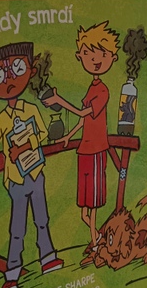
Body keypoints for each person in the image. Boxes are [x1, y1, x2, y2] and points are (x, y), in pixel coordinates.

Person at [0, 42, 63, 288]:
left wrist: (26, 145)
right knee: (17, 228)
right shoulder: (2, 120)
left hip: (36, 173)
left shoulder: (31, 109)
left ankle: (47, 257)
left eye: (17, 69)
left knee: (42, 219)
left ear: (30, 71)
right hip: (16, 181)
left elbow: (42, 133)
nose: (9, 80)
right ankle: (13, 273)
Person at [42, 22, 119, 264]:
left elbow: (84, 112)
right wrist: (69, 135)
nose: (95, 60)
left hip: (96, 150)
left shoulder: (103, 91)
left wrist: (59, 100)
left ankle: (95, 244)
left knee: (93, 205)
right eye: (88, 53)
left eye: (101, 54)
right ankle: (98, 237)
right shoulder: (92, 86)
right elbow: (84, 120)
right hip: (84, 151)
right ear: (80, 56)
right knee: (83, 209)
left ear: (112, 57)